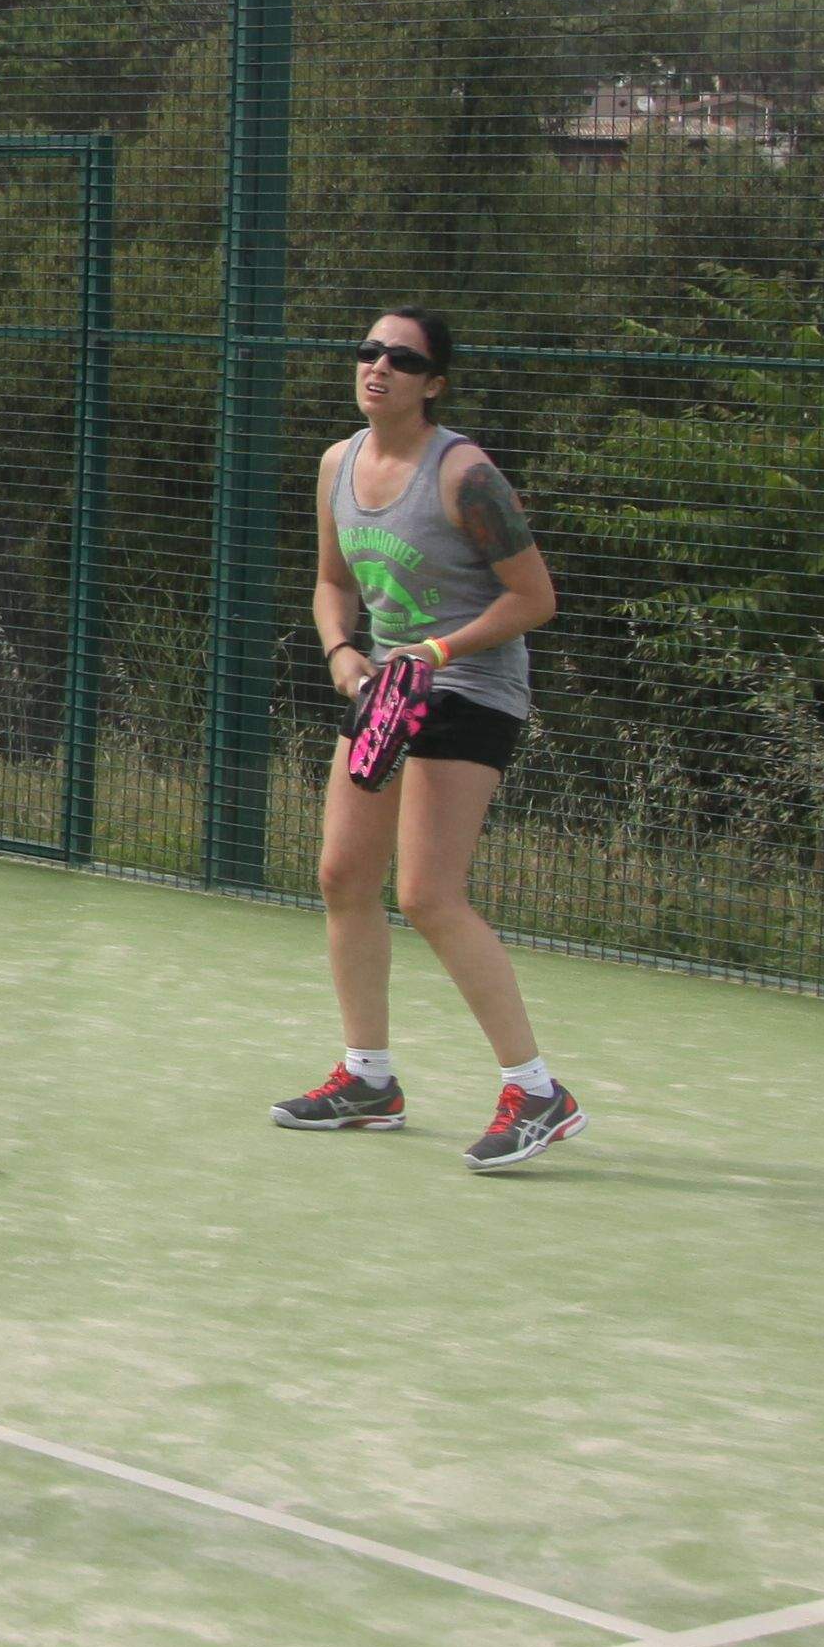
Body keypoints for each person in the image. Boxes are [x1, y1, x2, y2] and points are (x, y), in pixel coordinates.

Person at [273, 307, 583, 1169]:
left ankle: (537, 1092)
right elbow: (333, 583)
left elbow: (535, 598)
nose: (378, 366)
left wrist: (436, 651)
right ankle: (367, 1080)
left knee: (428, 895)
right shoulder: (338, 463)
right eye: (367, 349)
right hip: (383, 687)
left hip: (472, 687)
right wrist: (342, 653)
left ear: (432, 382)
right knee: (342, 874)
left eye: (401, 359)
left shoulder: (466, 478)